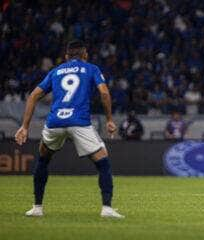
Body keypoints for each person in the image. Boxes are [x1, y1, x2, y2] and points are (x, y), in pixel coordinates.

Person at [14, 40, 124, 218]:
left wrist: (24, 127)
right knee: (103, 162)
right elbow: (104, 93)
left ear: (66, 56)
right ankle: (107, 209)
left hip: (55, 122)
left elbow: (33, 95)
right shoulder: (91, 69)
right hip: (79, 122)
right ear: (85, 55)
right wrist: (110, 119)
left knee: (43, 160)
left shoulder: (56, 71)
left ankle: (37, 208)